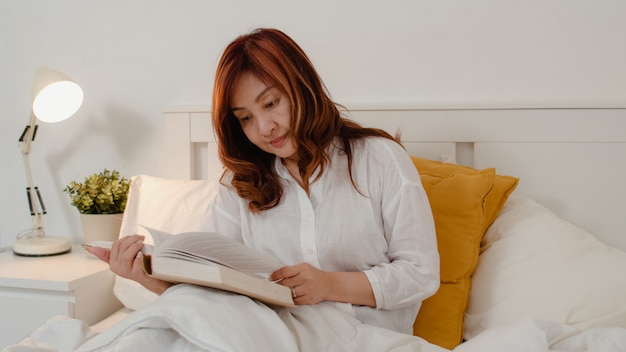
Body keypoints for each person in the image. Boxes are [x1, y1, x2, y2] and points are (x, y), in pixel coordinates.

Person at [91, 28, 440, 342]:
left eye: (271, 103)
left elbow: (421, 274)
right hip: (268, 333)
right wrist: (144, 276)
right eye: (245, 118)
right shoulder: (241, 186)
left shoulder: (379, 159)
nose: (264, 127)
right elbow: (215, 290)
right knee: (150, 336)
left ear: (302, 86)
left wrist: (328, 285)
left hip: (366, 339)